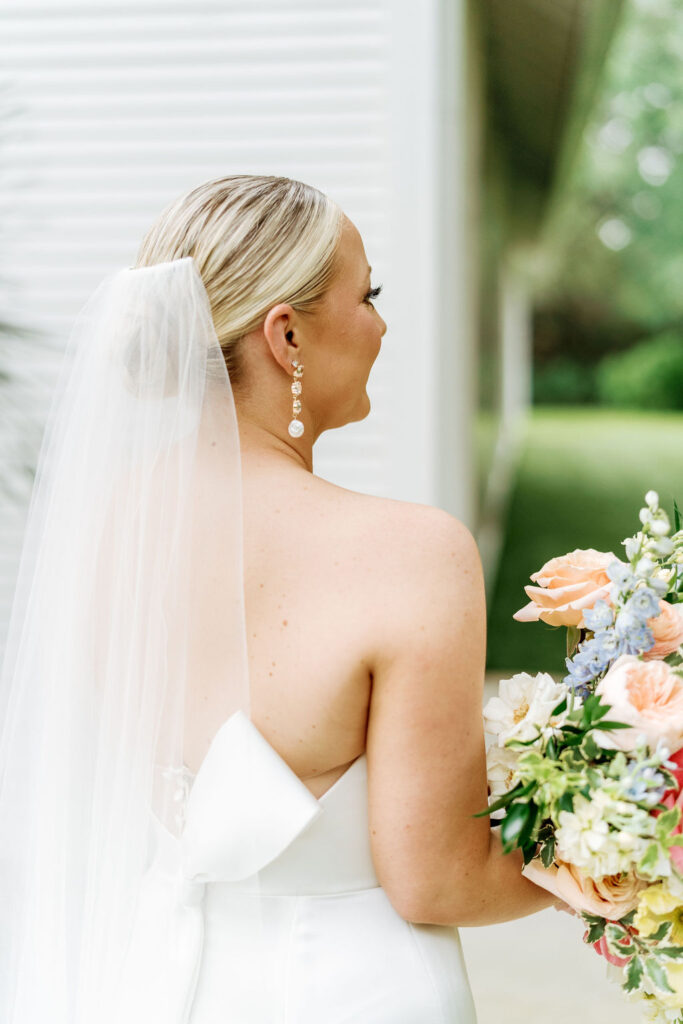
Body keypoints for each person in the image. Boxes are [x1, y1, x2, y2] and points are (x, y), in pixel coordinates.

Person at [0, 174, 560, 1024]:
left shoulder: (103, 531)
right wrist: (620, 840)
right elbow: (437, 878)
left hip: (144, 986)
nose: (380, 324)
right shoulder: (412, 553)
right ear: (285, 333)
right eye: (366, 294)